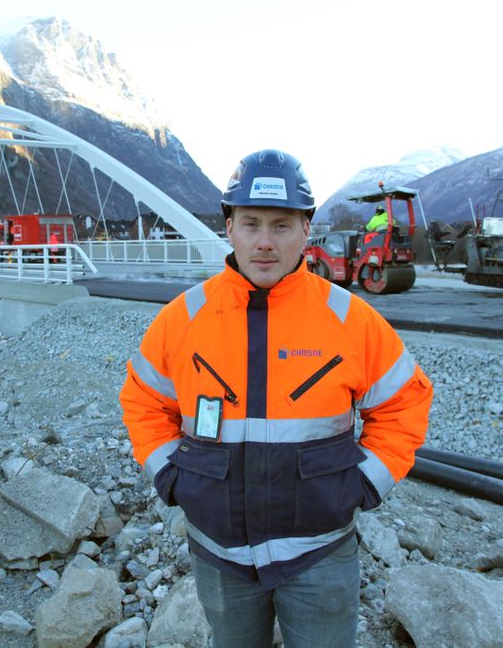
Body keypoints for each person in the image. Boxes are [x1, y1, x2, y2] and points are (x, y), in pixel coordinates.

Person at [120, 149, 433, 647]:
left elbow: (403, 403)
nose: (264, 242)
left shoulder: (350, 319)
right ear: (229, 227)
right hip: (219, 553)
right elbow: (143, 402)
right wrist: (170, 475)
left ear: (306, 230)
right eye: (251, 224)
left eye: (282, 225)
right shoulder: (183, 319)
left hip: (320, 552)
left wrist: (366, 482)